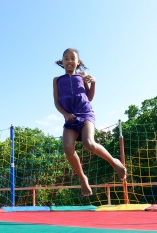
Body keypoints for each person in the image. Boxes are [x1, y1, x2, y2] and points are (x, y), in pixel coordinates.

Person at [53, 48, 127, 196]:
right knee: (67, 147)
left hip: (85, 112)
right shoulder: (57, 80)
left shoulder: (82, 76)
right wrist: (66, 114)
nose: (69, 61)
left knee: (89, 143)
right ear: (62, 62)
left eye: (72, 58)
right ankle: (82, 178)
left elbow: (89, 97)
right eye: (66, 58)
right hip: (70, 116)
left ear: (78, 62)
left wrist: (93, 83)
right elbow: (56, 102)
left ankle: (114, 162)